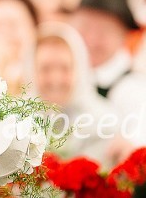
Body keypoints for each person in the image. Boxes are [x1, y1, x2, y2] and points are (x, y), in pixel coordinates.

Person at [71, 0, 146, 157]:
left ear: (124, 35)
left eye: (103, 31)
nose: (92, 40)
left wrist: (131, 145)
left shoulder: (137, 88)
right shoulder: (62, 76)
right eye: (85, 28)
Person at [34, 23, 118, 168]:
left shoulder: (103, 121)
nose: (55, 79)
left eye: (64, 68)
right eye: (45, 68)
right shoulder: (19, 120)